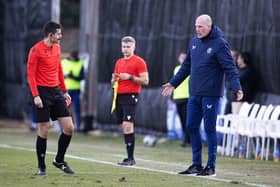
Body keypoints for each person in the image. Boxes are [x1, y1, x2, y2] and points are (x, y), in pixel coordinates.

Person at [162, 14, 243, 176]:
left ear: (209, 26)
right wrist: (173, 83)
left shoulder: (220, 43)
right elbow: (186, 67)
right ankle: (196, 164)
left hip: (211, 95)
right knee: (191, 126)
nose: (197, 29)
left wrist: (237, 87)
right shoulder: (194, 42)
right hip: (194, 93)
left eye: (201, 26)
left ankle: (211, 166)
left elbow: (230, 68)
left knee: (209, 128)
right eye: (196, 26)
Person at [27, 21, 75, 175]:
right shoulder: (35, 50)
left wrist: (64, 90)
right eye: (59, 34)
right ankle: (41, 166)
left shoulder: (57, 48)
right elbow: (31, 75)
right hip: (42, 92)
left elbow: (59, 69)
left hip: (56, 91)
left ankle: (59, 161)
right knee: (44, 129)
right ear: (51, 35)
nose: (60, 36)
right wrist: (36, 96)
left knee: (69, 127)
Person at [111, 36, 149, 166]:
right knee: (123, 126)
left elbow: (145, 80)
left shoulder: (139, 62)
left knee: (128, 125)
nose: (125, 49)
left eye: (128, 46)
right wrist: (114, 79)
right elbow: (113, 79)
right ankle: (129, 156)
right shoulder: (119, 62)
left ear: (134, 47)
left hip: (131, 95)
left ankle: (130, 158)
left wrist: (130, 77)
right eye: (123, 46)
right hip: (119, 96)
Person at [62, 50, 84, 132]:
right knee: (65, 109)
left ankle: (78, 126)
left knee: (77, 109)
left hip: (76, 90)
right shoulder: (63, 62)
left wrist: (72, 76)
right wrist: (65, 76)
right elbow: (58, 75)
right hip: (66, 91)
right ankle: (64, 126)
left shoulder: (80, 63)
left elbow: (81, 77)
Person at [172, 52, 190, 147]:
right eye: (181, 58)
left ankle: (188, 140)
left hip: (187, 97)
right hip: (177, 98)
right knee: (182, 120)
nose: (182, 59)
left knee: (188, 120)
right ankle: (185, 139)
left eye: (184, 58)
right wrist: (172, 97)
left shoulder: (190, 68)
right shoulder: (176, 69)